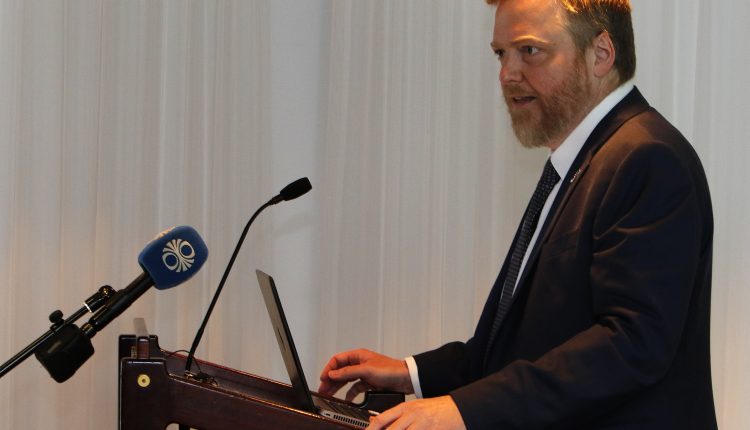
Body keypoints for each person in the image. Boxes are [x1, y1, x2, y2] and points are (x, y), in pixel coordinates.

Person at [318, 0, 718, 428]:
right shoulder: (578, 162)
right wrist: (412, 373)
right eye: (500, 54)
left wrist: (464, 410)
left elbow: (632, 344)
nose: (507, 74)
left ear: (601, 54)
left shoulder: (647, 158)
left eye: (530, 50)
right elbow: (520, 346)